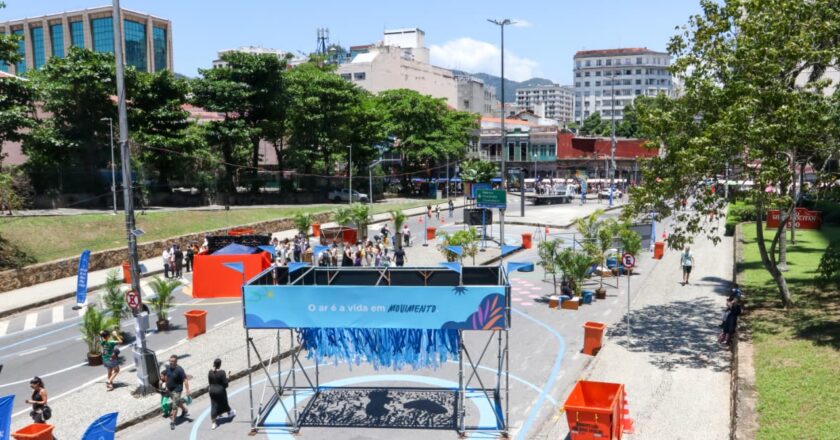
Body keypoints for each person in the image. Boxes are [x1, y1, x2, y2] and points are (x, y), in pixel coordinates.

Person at [164, 355, 191, 430]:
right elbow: (167, 376)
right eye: (170, 361)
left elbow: (185, 380)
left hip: (177, 390)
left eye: (173, 361)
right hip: (170, 389)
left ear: (176, 362)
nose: (171, 362)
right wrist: (166, 385)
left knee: (174, 405)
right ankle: (185, 410)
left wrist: (187, 390)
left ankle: (173, 422)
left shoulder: (180, 370)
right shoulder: (168, 367)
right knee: (177, 402)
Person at [208, 358, 235, 430]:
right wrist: (229, 376)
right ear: (220, 365)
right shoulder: (222, 372)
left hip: (212, 391)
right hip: (220, 391)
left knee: (214, 405)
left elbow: (210, 382)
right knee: (224, 402)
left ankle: (213, 423)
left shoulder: (210, 372)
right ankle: (230, 413)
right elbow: (225, 384)